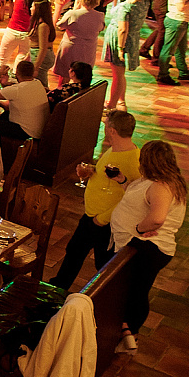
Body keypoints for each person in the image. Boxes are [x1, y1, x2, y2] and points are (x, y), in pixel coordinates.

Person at [107, 140, 188, 353]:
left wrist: (139, 229)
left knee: (135, 291)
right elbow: (140, 197)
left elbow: (157, 218)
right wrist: (122, 180)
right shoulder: (160, 180)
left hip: (149, 248)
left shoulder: (162, 186)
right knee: (130, 288)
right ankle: (127, 332)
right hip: (144, 246)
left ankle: (129, 335)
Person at [51, 109, 139, 290]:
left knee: (104, 264)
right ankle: (57, 289)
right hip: (92, 216)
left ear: (112, 130)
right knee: (74, 251)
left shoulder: (133, 162)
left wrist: (102, 219)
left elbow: (131, 199)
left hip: (106, 223)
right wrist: (91, 171)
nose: (104, 129)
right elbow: (107, 177)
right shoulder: (114, 150)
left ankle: (108, 297)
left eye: (106, 126)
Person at [103, 0, 148, 110]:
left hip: (119, 40)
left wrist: (120, 48)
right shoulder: (144, 3)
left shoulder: (125, 8)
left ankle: (112, 104)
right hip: (132, 39)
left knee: (117, 74)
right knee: (120, 74)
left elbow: (123, 29)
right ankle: (120, 100)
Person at [0, 59, 48, 142]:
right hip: (38, 131)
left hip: (26, 133)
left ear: (17, 73)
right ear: (32, 73)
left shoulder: (18, 90)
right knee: (4, 115)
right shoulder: (37, 83)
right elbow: (17, 90)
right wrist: (4, 84)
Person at [52, 0, 104, 83]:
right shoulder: (100, 16)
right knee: (83, 76)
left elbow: (60, 26)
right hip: (88, 49)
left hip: (71, 48)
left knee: (65, 76)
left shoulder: (73, 14)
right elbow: (101, 28)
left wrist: (75, 9)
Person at [0, 0, 43, 67]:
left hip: (12, 31)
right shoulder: (39, 4)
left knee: (2, 59)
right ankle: (16, 74)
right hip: (28, 34)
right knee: (21, 59)